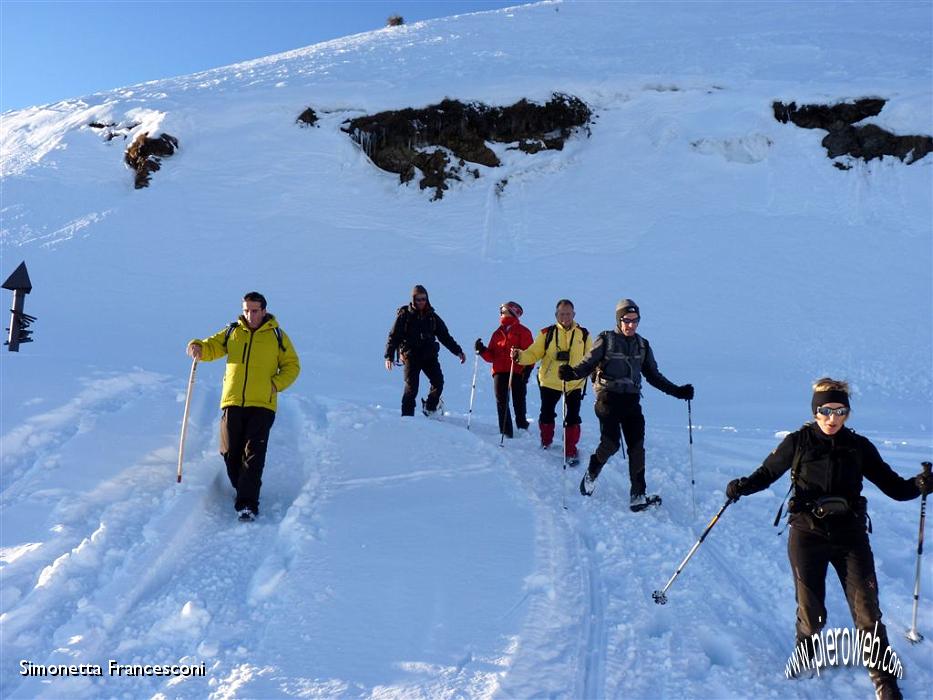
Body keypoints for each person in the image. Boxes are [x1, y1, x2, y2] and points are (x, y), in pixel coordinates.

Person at [725, 378, 931, 700]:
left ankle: (884, 680)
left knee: (867, 609)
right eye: (825, 410)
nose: (832, 418)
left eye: (840, 411)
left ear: (847, 413)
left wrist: (920, 484)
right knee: (812, 609)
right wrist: (742, 486)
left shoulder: (858, 447)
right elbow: (766, 474)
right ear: (815, 410)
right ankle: (806, 644)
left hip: (850, 534)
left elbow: (894, 486)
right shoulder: (798, 442)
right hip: (807, 533)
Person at [558, 299, 693, 507]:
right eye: (626, 320)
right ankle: (591, 472)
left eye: (635, 320)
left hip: (631, 401)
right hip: (607, 399)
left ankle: (638, 495)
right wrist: (572, 373)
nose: (631, 325)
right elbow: (588, 364)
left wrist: (678, 391)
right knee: (611, 444)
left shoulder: (643, 345)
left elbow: (654, 376)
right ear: (618, 319)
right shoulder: (606, 339)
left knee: (637, 447)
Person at [186, 291, 301, 522]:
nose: (250, 314)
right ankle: (244, 488)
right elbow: (212, 347)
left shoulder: (277, 336)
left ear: (264, 310)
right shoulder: (233, 332)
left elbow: (292, 365)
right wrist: (197, 346)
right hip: (233, 401)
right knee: (229, 451)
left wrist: (275, 384)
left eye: (254, 310)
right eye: (246, 309)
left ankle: (247, 503)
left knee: (254, 454)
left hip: (262, 404)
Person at [511, 299, 592, 463]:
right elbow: (533, 354)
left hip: (574, 383)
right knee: (547, 414)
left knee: (573, 417)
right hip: (549, 382)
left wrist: (595, 374)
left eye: (568, 313)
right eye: (562, 313)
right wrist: (519, 355)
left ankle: (570, 449)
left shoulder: (583, 334)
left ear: (574, 314)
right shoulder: (546, 333)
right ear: (556, 315)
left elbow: (591, 358)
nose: (565, 317)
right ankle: (546, 441)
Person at [385, 285, 465, 417]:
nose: (421, 302)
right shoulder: (405, 316)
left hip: (429, 356)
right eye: (418, 299)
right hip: (411, 356)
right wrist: (389, 356)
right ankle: (407, 418)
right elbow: (394, 336)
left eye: (424, 299)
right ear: (413, 299)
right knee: (411, 388)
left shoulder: (432, 316)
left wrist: (458, 352)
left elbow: (444, 336)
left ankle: (430, 408)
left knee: (438, 382)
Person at [475, 301, 534, 438]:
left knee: (518, 399)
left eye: (504, 311)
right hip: (499, 370)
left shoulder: (523, 332)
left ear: (513, 312)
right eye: (501, 311)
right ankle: (505, 431)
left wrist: (528, 369)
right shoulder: (497, 333)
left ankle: (522, 425)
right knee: (501, 400)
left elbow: (531, 353)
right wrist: (482, 350)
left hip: (517, 370)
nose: (501, 314)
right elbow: (491, 356)